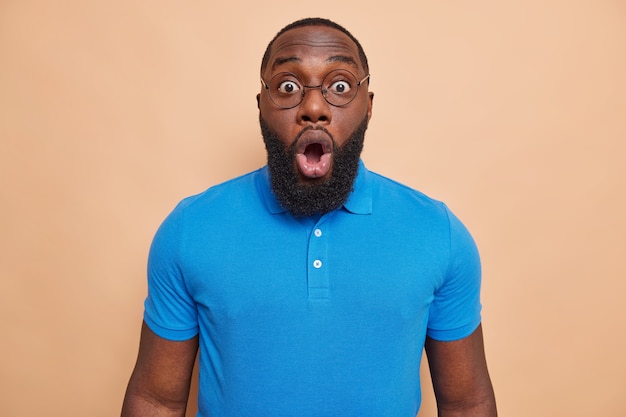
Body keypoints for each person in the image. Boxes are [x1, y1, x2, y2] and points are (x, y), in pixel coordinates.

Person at [122, 17, 497, 417]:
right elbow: (156, 400)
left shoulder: (438, 234)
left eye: (339, 86)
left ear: (368, 106)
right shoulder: (190, 229)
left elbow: (466, 403)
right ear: (261, 107)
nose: (313, 107)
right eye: (288, 86)